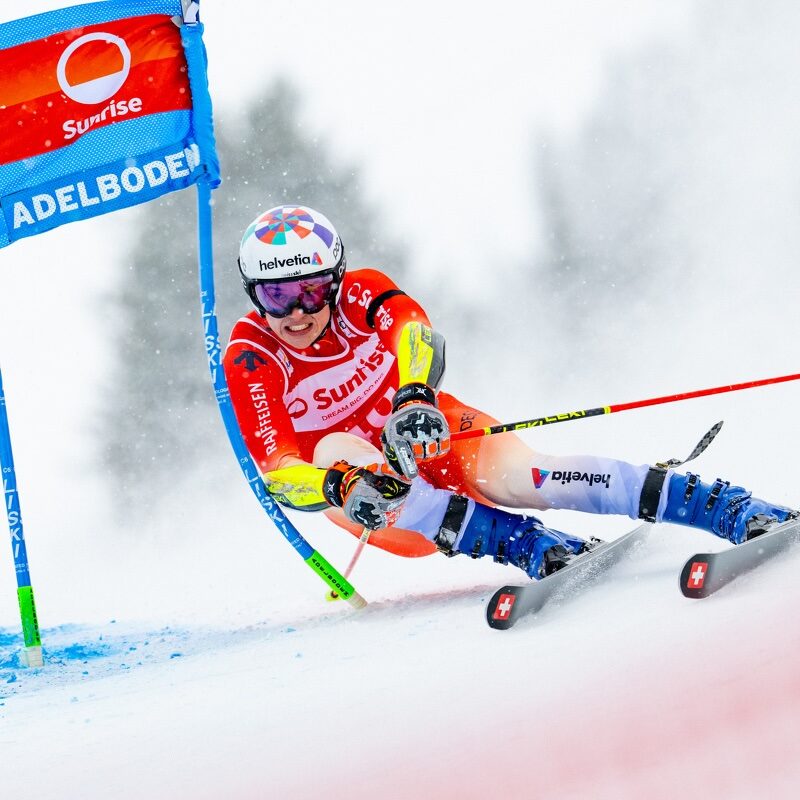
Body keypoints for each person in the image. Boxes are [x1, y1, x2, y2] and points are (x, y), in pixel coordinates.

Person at [223, 205, 797, 580]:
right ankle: (520, 543)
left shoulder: (362, 292)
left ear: (336, 280)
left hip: (429, 436)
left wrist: (414, 396)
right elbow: (279, 474)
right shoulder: (252, 357)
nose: (296, 313)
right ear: (253, 295)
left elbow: (417, 333)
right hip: (380, 505)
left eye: (310, 291)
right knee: (335, 453)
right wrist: (337, 485)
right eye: (275, 297)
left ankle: (722, 506)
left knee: (532, 476)